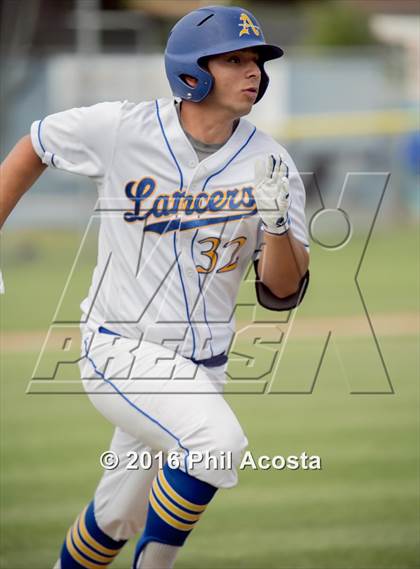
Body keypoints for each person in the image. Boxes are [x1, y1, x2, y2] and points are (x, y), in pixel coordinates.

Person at [0, 5, 309, 568]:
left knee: (118, 513)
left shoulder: (272, 164)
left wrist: (277, 223)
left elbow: (281, 291)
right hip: (120, 349)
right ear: (191, 69)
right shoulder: (122, 128)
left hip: (205, 366)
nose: (253, 72)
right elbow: (36, 145)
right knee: (216, 445)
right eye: (234, 59)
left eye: (257, 60)